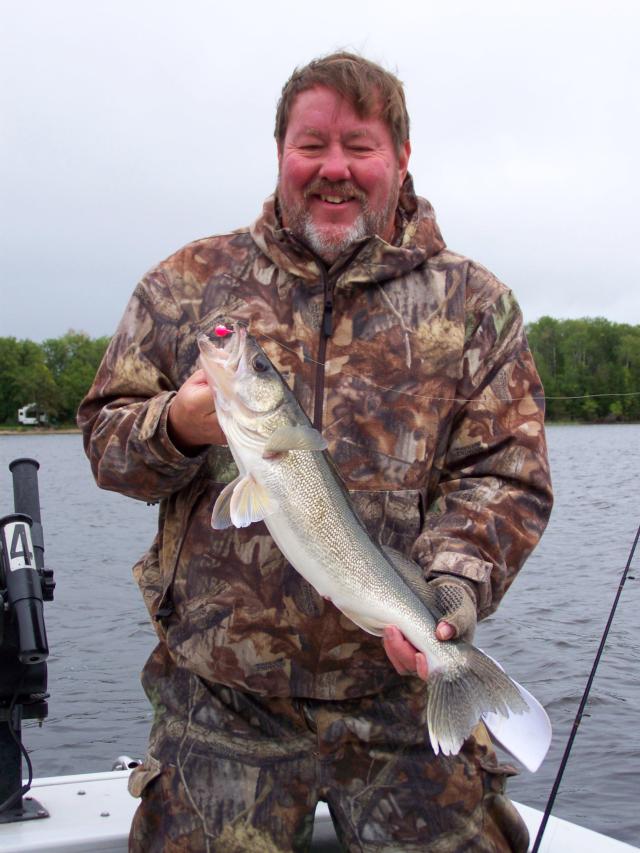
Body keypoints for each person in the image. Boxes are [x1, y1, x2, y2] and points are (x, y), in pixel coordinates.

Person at [78, 52, 553, 853]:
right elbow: (104, 438)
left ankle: (456, 680)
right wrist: (181, 425)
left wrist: (448, 595)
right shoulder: (189, 283)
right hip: (223, 702)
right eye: (312, 144)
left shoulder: (477, 306)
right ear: (280, 154)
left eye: (359, 146)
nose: (334, 168)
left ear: (401, 158)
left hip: (398, 705)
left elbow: (503, 477)